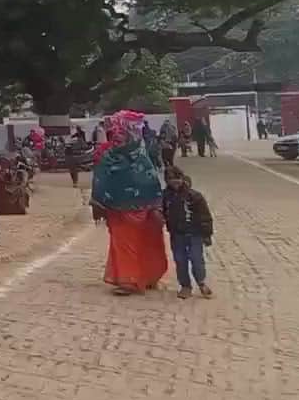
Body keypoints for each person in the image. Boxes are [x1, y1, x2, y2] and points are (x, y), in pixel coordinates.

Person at [90, 110, 168, 295]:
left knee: (146, 242)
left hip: (144, 210)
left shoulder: (142, 156)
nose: (117, 138)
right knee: (124, 244)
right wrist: (97, 202)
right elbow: (100, 179)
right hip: (116, 211)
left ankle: (146, 277)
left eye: (121, 134)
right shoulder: (108, 156)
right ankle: (129, 280)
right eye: (115, 134)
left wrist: (157, 206)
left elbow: (153, 181)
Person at [163, 167, 214, 300]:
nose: (175, 182)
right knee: (180, 260)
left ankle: (201, 283)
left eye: (177, 178)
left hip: (194, 234)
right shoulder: (165, 197)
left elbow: (205, 216)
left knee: (197, 259)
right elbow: (162, 212)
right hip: (177, 234)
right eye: (171, 179)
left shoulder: (194, 196)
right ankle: (185, 286)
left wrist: (207, 234)